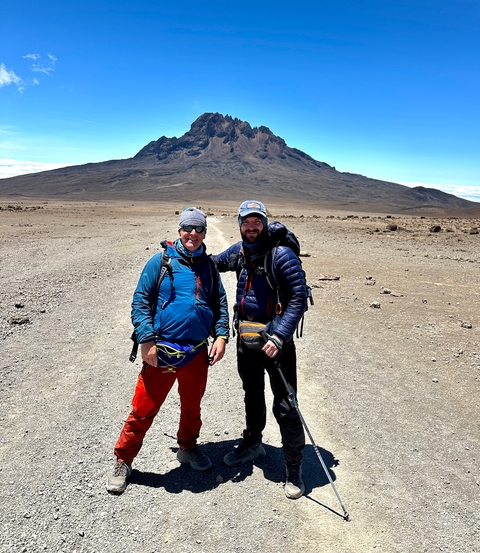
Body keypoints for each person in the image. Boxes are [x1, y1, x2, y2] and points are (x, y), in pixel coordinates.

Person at [107, 207, 229, 494]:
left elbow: (220, 303)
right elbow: (140, 301)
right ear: (179, 231)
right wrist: (146, 340)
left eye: (199, 229)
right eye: (188, 228)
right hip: (160, 351)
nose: (193, 234)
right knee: (143, 408)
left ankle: (187, 447)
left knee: (192, 406)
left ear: (204, 233)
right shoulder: (159, 262)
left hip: (196, 353)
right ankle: (123, 459)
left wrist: (221, 335)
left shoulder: (208, 267)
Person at [212, 200, 308, 499]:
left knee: (285, 404)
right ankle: (253, 444)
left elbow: (298, 299)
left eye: (256, 222)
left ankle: (294, 468)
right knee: (252, 394)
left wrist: (279, 335)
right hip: (247, 340)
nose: (251, 227)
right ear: (239, 224)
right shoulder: (240, 251)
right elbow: (213, 263)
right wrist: (183, 251)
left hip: (275, 344)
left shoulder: (282, 255)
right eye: (246, 222)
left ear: (265, 223)